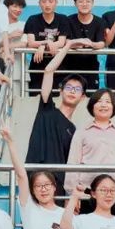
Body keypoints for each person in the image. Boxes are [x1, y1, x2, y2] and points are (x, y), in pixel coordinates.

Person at [25, 43, 82, 196]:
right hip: (35, 180)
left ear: (82, 97)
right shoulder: (47, 109)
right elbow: (49, 70)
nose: (72, 91)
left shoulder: (75, 131)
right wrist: (68, 45)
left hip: (58, 187)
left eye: (77, 89)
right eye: (68, 87)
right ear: (60, 91)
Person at [64, 89, 115, 218]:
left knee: (114, 227)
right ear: (92, 106)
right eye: (99, 101)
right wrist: (72, 194)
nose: (103, 105)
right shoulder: (81, 132)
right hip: (87, 191)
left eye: (108, 102)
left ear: (114, 107)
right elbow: (73, 162)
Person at [21, 0, 68, 95]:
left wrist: (43, 45)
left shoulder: (63, 19)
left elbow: (61, 42)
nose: (47, 5)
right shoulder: (32, 20)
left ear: (56, 2)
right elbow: (31, 43)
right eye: (44, 1)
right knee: (35, 99)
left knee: (57, 99)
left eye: (50, 1)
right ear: (39, 3)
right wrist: (46, 43)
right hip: (37, 67)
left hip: (58, 67)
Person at [63, 0, 107, 91]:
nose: (84, 4)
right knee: (70, 94)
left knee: (90, 96)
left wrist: (90, 44)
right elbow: (66, 41)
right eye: (81, 1)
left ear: (93, 3)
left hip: (91, 68)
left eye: (88, 1)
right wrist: (80, 42)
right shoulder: (68, 20)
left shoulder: (100, 22)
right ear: (75, 3)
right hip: (70, 67)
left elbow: (101, 43)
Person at [0, 0, 27, 65]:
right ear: (6, 7)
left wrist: (4, 48)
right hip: (0, 64)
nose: (18, 10)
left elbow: (24, 44)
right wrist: (9, 36)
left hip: (19, 64)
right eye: (15, 6)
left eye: (20, 7)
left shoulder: (24, 25)